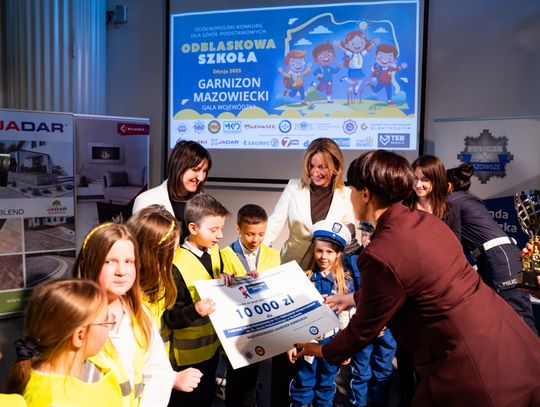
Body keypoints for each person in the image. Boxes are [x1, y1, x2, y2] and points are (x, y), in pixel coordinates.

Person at [294, 150, 540, 406]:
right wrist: (353, 298)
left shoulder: (379, 253)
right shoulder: (427, 222)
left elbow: (363, 328)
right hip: (509, 341)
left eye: (352, 189)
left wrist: (321, 350)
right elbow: (413, 282)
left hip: (471, 366)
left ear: (365, 194)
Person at [75, 222, 201, 407]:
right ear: (88, 263)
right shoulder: (72, 320)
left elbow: (156, 371)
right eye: (109, 261)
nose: (121, 271)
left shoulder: (140, 317)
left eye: (129, 261)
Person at [446, 162, 537, 333]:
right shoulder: (469, 199)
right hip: (499, 258)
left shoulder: (452, 201)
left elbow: (451, 241)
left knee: (521, 323)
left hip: (499, 259)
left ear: (448, 186)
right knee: (499, 321)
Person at [6, 279, 123, 406]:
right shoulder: (51, 401)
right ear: (80, 336)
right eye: (105, 320)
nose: (110, 324)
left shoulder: (93, 363)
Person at [163, 193, 229, 407]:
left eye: (221, 228)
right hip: (187, 360)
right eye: (213, 230)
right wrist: (196, 310)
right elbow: (170, 317)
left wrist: (225, 279)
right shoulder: (176, 265)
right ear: (193, 228)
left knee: (207, 398)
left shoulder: (214, 251)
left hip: (212, 351)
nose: (220, 235)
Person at [288, 219, 353, 407]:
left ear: (338, 254)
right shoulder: (304, 278)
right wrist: (290, 343)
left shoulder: (345, 283)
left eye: (329, 252)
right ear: (313, 250)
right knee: (303, 384)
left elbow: (347, 317)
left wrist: (346, 346)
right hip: (306, 339)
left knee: (326, 385)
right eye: (319, 251)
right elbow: (292, 314)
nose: (323, 256)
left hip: (332, 341)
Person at [220, 204, 280, 407]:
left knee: (259, 380)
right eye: (250, 234)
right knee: (238, 384)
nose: (256, 240)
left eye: (261, 234)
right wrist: (237, 282)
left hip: (265, 327)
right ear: (238, 229)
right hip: (239, 332)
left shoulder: (273, 255)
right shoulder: (224, 255)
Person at [265, 137, 355, 270]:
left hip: (327, 270)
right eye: (311, 166)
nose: (315, 172)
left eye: (321, 167)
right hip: (293, 264)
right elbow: (272, 226)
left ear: (335, 167)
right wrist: (256, 256)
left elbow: (348, 236)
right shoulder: (293, 188)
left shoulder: (346, 195)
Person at [343, 221, 397, 407]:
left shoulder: (392, 260)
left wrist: (385, 321)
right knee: (360, 372)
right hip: (362, 325)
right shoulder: (352, 259)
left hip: (386, 328)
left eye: (370, 235)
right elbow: (348, 293)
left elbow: (396, 295)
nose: (365, 240)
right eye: (363, 234)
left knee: (383, 371)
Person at [132, 140, 212, 243]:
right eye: (195, 169)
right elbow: (141, 245)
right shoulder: (146, 200)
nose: (201, 177)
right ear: (178, 167)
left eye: (204, 171)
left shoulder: (203, 201)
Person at [126, 205, 180, 330]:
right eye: (173, 251)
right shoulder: (125, 302)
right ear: (152, 255)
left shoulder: (158, 284)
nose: (175, 255)